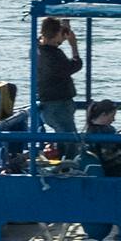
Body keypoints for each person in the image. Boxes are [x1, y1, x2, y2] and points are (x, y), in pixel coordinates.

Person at [34, 17, 82, 147]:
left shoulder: (38, 49)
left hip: (49, 103)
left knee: (63, 141)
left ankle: (64, 161)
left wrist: (63, 29)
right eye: (62, 33)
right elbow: (74, 66)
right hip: (58, 105)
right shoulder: (53, 55)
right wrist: (74, 46)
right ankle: (69, 165)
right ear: (56, 35)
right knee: (71, 143)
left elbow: (50, 39)